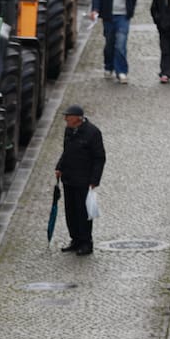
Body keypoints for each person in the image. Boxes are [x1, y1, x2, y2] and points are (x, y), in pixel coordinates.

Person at [54, 104, 105, 256]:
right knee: (71, 211)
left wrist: (94, 180)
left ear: (77, 118)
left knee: (83, 212)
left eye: (68, 116)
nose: (65, 119)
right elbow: (66, 152)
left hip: (83, 180)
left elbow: (99, 158)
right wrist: (60, 167)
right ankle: (75, 239)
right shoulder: (69, 130)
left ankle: (86, 242)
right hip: (68, 178)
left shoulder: (93, 133)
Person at [90, 0, 138, 84]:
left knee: (121, 44)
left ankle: (121, 71)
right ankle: (109, 66)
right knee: (110, 43)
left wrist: (130, 9)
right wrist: (95, 9)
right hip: (109, 15)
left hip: (123, 15)